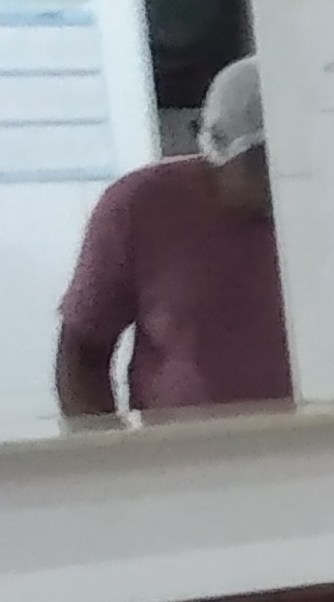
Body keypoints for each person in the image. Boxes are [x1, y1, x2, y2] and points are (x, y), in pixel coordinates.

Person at [54, 54, 293, 418]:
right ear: (219, 149)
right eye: (263, 161)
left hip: (332, 441)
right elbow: (82, 355)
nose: (281, 178)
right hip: (183, 445)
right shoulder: (140, 206)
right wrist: (108, 448)